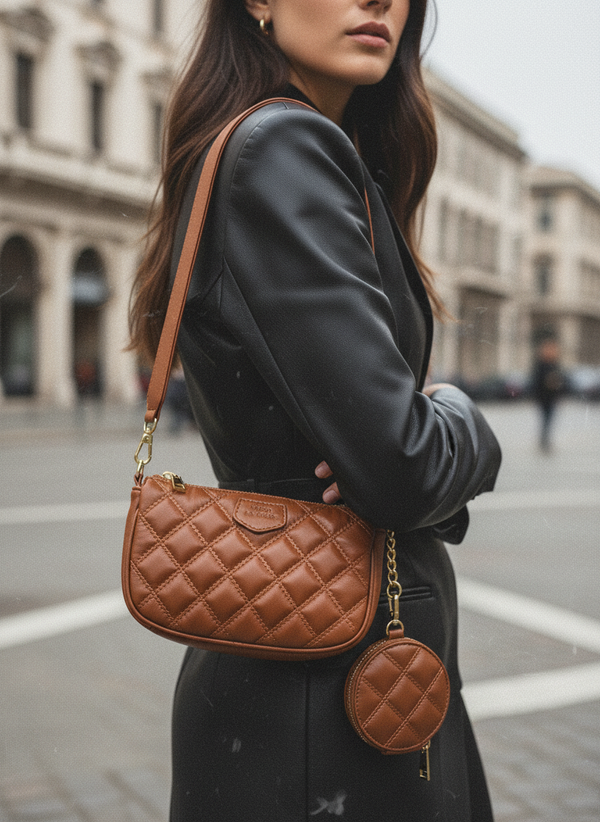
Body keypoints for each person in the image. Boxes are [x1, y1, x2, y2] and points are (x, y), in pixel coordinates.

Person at [129, 1, 502, 819]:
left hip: (309, 680)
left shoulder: (296, 150)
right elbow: (403, 464)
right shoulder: (284, 148)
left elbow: (382, 448)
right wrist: (464, 420)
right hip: (324, 707)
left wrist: (404, 433)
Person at [530, 337, 564, 451]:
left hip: (552, 397)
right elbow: (536, 382)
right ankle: (544, 440)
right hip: (543, 397)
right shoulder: (541, 365)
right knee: (545, 419)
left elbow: (561, 381)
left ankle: (545, 440)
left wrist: (557, 386)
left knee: (550, 420)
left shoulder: (555, 364)